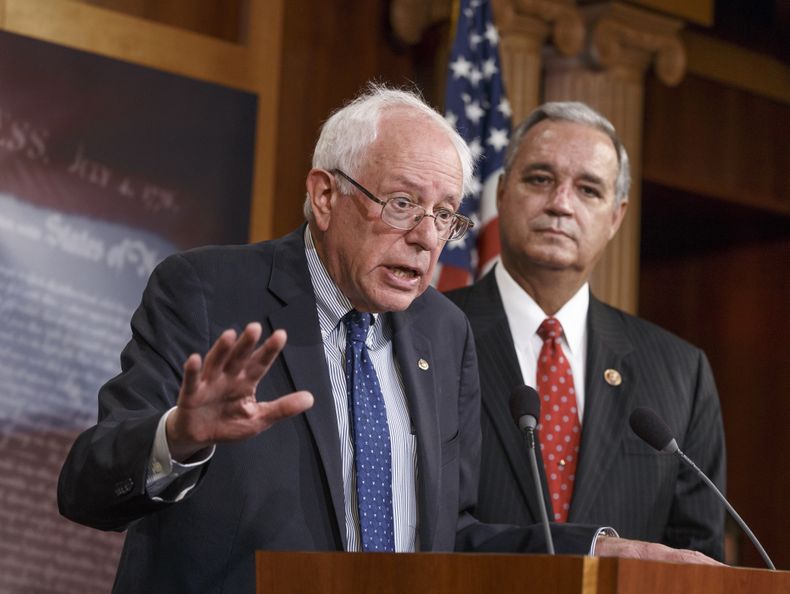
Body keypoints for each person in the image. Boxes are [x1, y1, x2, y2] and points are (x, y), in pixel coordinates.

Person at [58, 86, 718, 593]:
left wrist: (592, 551)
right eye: (402, 203)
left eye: (444, 215)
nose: (428, 236)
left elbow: (446, 540)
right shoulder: (205, 290)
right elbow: (86, 485)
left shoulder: (442, 329)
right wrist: (181, 436)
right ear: (324, 196)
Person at [446, 101, 726, 560]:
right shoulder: (428, 332)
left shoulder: (682, 371)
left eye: (589, 190)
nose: (560, 204)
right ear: (501, 192)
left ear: (616, 216)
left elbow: (694, 558)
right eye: (540, 179)